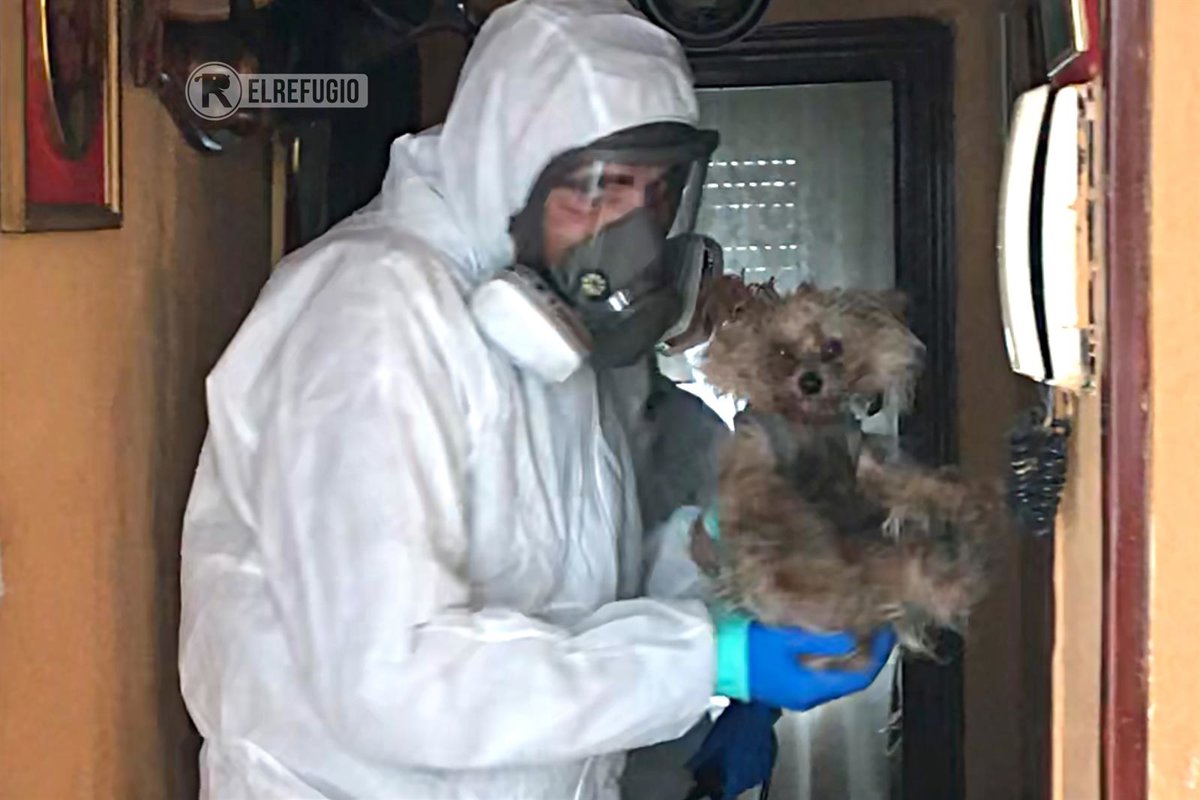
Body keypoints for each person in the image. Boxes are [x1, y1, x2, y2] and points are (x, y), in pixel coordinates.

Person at [178, 0, 894, 797]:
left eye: (655, 194)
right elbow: (395, 682)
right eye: (599, 190)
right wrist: (710, 660)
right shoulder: (369, 314)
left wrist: (721, 555)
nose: (629, 236)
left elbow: (580, 604)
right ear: (508, 168)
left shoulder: (554, 348)